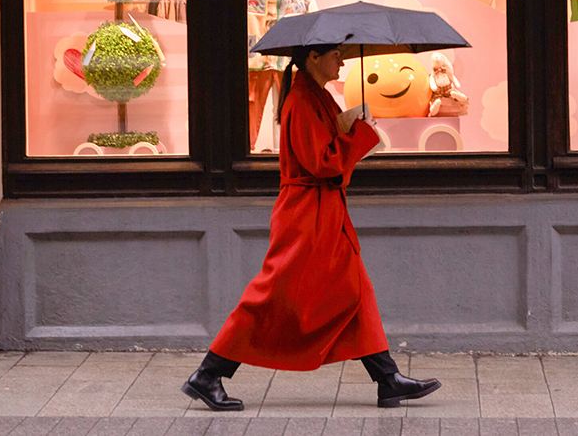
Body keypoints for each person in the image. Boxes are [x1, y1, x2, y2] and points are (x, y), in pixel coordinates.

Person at [182, 44, 442, 411]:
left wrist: (351, 125)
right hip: (306, 214)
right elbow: (322, 162)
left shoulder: (313, 95)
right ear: (313, 58)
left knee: (355, 290)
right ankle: (209, 373)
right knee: (272, 295)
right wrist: (362, 136)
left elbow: (327, 147)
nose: (342, 61)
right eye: (336, 54)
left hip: (321, 211)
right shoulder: (302, 101)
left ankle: (388, 379)